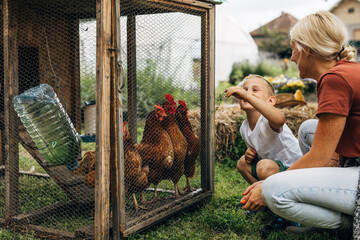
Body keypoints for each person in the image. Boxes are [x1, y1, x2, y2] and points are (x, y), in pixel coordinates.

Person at [240, 10, 360, 239]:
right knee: (306, 129)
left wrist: (268, 185)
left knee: (274, 191)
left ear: (307, 49)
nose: (292, 56)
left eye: (293, 47)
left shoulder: (335, 79)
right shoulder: (345, 71)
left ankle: (345, 223)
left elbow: (319, 157)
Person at [225, 75, 302, 184]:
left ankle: (274, 195)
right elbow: (256, 150)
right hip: (273, 169)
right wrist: (249, 154)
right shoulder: (244, 127)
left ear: (270, 101)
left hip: (295, 169)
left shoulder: (267, 120)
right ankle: (263, 194)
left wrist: (247, 96)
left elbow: (280, 120)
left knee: (263, 166)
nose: (248, 93)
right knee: (242, 163)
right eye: (245, 90)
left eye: (255, 90)